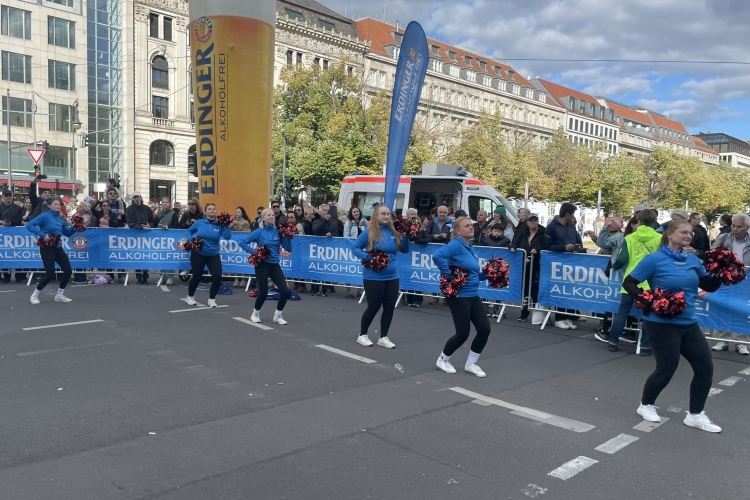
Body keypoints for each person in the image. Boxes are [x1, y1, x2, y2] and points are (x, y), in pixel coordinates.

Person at [624, 220, 723, 433]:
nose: (689, 235)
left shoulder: (692, 259)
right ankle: (646, 405)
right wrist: (650, 301)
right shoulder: (654, 259)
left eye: (691, 232)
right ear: (670, 234)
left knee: (705, 368)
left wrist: (722, 273)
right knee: (667, 368)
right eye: (684, 232)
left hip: (689, 323)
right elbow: (629, 282)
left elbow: (708, 284)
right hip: (661, 324)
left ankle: (695, 415)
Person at [433, 217, 492, 377]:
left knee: (484, 329)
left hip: (473, 294)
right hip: (459, 296)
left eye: (471, 225)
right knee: (463, 333)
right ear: (458, 231)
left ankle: (471, 363)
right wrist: (448, 274)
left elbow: (471, 273)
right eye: (467, 226)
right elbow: (437, 256)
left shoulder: (469, 247)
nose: (471, 227)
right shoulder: (455, 244)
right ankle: (442, 359)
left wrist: (488, 274)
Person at [351, 204, 410, 348]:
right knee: (374, 306)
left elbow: (405, 250)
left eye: (388, 214)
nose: (386, 216)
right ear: (376, 215)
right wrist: (368, 258)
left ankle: (383, 337)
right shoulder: (369, 232)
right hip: (373, 277)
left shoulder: (394, 231)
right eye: (383, 213)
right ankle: (362, 335)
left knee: (389, 307)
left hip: (392, 276)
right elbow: (355, 248)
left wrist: (406, 236)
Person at [604, 209, 662, 352]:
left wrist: (615, 267)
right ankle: (645, 346)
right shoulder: (660, 238)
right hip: (650, 282)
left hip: (631, 281)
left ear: (639, 221)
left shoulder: (629, 238)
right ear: (655, 221)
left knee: (623, 312)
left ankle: (613, 341)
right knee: (648, 314)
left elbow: (621, 259)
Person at [239, 208, 292, 324]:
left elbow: (288, 248)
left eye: (273, 215)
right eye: (269, 215)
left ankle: (278, 315)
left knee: (285, 291)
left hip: (274, 264)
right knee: (263, 292)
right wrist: (254, 252)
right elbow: (242, 242)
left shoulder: (278, 231)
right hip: (262, 264)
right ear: (263, 218)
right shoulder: (259, 232)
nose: (272, 217)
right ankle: (255, 313)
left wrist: (288, 238)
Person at [710, 214, 750, 355]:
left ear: (747, 227)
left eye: (739, 226)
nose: (735, 229)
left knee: (742, 309)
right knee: (723, 307)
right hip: (725, 278)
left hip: (745, 280)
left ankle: (741, 342)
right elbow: (712, 255)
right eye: (733, 226)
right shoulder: (723, 238)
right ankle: (723, 340)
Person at [26, 197, 76, 304]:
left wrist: (77, 227)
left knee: (68, 270)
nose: (58, 206)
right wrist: (43, 235)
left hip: (58, 247)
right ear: (49, 205)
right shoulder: (44, 216)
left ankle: (59, 295)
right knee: (50, 274)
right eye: (55, 204)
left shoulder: (60, 218)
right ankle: (34, 295)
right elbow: (30, 225)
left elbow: (67, 233)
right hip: (47, 247)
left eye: (59, 204)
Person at [544, 202, 586, 330]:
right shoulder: (552, 227)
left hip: (571, 260)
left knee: (569, 289)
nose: (573, 216)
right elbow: (547, 245)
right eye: (572, 214)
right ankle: (559, 318)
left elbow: (576, 240)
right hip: (557, 261)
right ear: (567, 214)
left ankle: (567, 316)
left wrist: (579, 248)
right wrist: (563, 247)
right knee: (559, 289)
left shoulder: (572, 226)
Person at [184, 203, 232, 307]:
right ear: (205, 212)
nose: (212, 210)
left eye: (214, 209)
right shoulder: (200, 223)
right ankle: (190, 296)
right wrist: (191, 240)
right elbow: (188, 231)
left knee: (217, 276)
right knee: (197, 276)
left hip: (213, 254)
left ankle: (212, 299)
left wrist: (227, 225)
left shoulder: (219, 224)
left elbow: (228, 237)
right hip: (198, 253)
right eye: (209, 209)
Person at [510, 214, 545, 321]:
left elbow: (546, 245)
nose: (533, 222)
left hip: (537, 264)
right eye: (531, 220)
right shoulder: (524, 231)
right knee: (525, 288)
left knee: (535, 288)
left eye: (535, 220)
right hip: (525, 264)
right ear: (527, 222)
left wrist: (537, 249)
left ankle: (537, 312)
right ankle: (524, 312)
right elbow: (515, 241)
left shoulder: (543, 232)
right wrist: (513, 247)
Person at [126, 192, 156, 284]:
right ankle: (139, 277)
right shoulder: (129, 209)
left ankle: (145, 278)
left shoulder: (147, 208)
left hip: (146, 236)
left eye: (137, 197)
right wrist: (141, 227)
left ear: (140, 197)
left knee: (146, 256)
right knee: (137, 257)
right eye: (134, 197)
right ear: (133, 199)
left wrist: (149, 225)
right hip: (135, 236)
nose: (136, 199)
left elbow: (153, 221)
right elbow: (130, 223)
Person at [343, 206, 368, 298]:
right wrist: (353, 246)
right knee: (349, 269)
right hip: (351, 249)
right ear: (351, 213)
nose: (356, 213)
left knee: (360, 269)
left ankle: (360, 290)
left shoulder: (364, 221)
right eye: (354, 212)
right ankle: (349, 290)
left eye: (357, 211)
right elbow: (346, 237)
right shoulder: (348, 223)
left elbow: (368, 234)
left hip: (363, 249)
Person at [155, 198, 180, 286]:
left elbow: (176, 226)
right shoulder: (159, 214)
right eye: (163, 202)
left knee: (169, 257)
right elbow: (155, 224)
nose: (165, 204)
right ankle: (162, 276)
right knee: (162, 258)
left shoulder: (173, 214)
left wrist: (167, 227)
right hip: (160, 238)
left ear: (169, 204)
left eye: (166, 202)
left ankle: (170, 276)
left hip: (170, 239)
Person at [1, 190, 24, 283]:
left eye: (9, 195)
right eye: (6, 195)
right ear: (3, 196)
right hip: (3, 235)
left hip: (16, 234)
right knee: (5, 254)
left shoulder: (18, 208)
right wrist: (2, 222)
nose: (8, 197)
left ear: (12, 196)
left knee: (17, 254)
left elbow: (19, 220)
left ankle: (19, 275)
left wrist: (10, 223)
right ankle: (6, 276)